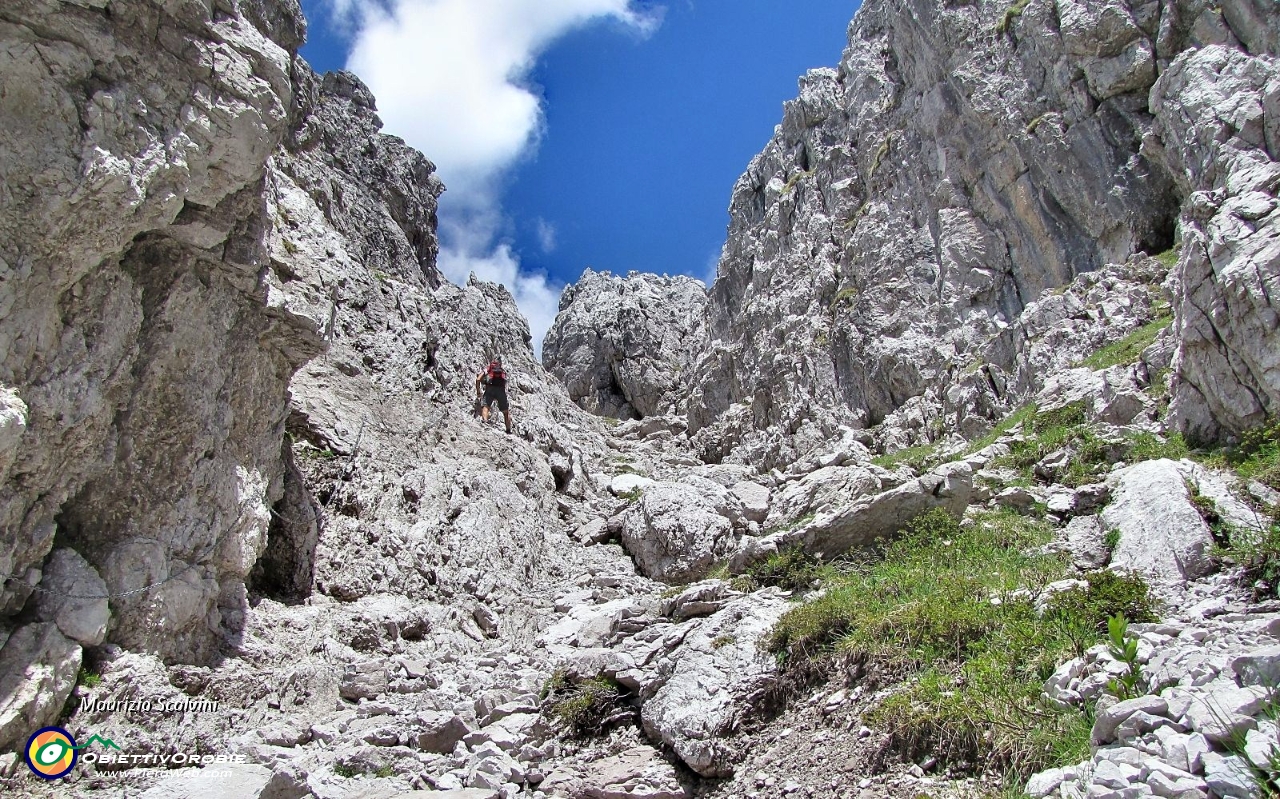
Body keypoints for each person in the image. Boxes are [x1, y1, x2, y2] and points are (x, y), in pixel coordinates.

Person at [476, 356, 513, 434]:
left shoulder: (489, 368)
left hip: (490, 388)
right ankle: (508, 430)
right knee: (506, 412)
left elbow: (478, 379)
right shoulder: (502, 371)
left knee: (486, 407)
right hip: (501, 390)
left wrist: (478, 391)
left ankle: (485, 423)